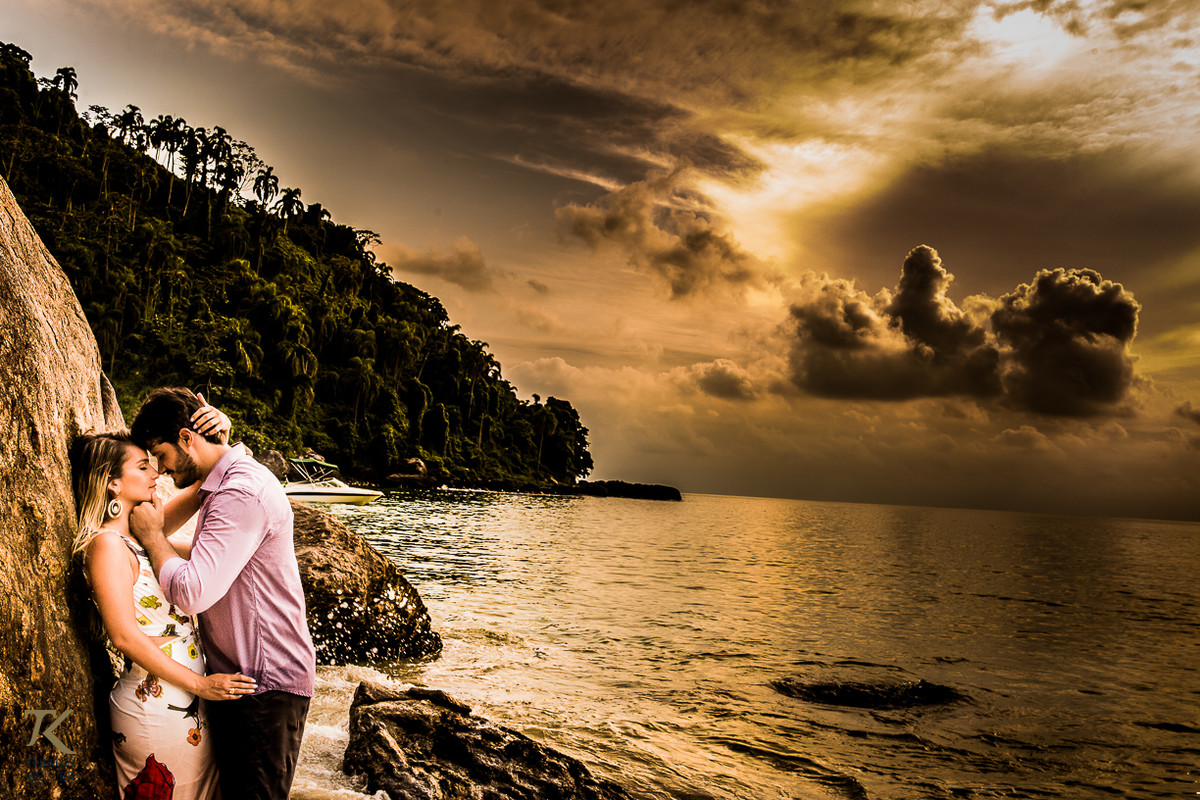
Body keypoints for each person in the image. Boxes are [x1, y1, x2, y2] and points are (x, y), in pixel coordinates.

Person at [128, 386, 317, 800]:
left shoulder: (240, 491)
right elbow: (203, 558)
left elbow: (193, 590)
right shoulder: (227, 482)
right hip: (245, 682)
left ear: (185, 438)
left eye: (161, 455)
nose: (160, 470)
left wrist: (151, 535)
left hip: (264, 686)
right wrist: (147, 539)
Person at [71, 398, 257, 800]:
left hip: (186, 706)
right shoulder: (106, 545)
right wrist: (202, 686)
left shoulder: (140, 537)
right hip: (155, 708)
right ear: (111, 483)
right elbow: (124, 637)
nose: (156, 472)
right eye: (143, 466)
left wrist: (220, 441)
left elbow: (206, 487)